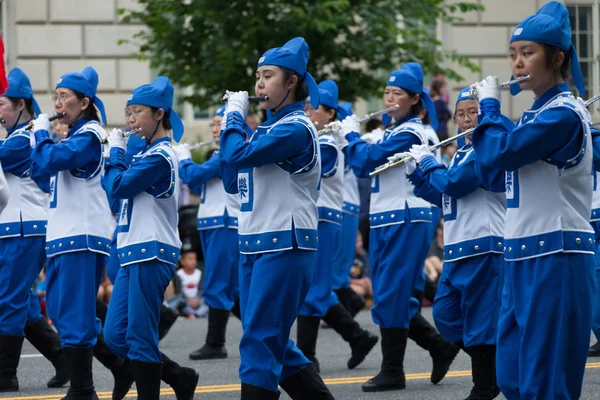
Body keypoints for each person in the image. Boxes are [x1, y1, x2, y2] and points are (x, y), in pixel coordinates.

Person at [471, 2, 594, 398]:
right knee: (513, 374)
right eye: (513, 54)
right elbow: (491, 173)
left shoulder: (563, 115)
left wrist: (488, 109)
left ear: (556, 58)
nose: (517, 63)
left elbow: (500, 155)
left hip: (556, 253)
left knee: (545, 378)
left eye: (528, 53)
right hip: (521, 254)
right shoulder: (531, 118)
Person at [219, 37, 334, 399]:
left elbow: (236, 155)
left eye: (268, 76)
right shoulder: (266, 131)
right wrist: (232, 126)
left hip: (285, 243)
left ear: (292, 83)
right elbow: (229, 176)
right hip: (257, 244)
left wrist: (234, 119)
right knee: (274, 343)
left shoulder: (295, 127)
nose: (258, 84)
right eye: (257, 76)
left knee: (259, 342)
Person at [336, 62, 458, 393]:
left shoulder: (412, 131)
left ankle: (393, 370)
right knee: (397, 294)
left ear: (415, 99)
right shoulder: (396, 130)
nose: (390, 99)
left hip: (404, 216)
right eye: (387, 92)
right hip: (392, 217)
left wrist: (349, 135)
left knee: (390, 291)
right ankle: (438, 346)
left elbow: (363, 163)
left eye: (398, 94)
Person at [400, 86, 511, 399]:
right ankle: (496, 366)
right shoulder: (462, 151)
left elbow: (456, 184)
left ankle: (485, 384)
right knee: (446, 315)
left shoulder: (487, 148)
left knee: (480, 320)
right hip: (459, 245)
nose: (464, 120)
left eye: (472, 112)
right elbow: (445, 195)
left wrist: (430, 165)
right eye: (460, 114)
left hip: (485, 242)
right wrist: (418, 177)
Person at [103, 76, 199, 400]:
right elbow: (115, 201)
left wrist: (116, 156)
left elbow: (117, 187)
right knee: (116, 335)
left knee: (140, 336)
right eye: (128, 113)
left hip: (152, 249)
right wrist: (124, 157)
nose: (130, 120)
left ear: (159, 114)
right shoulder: (143, 155)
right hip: (132, 249)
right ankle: (178, 376)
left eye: (137, 112)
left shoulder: (160, 155)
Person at [29, 66, 114, 399]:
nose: (58, 102)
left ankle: (83, 390)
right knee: (62, 312)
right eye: (56, 96)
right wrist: (43, 142)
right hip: (62, 235)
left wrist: (40, 136)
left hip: (83, 235)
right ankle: (117, 368)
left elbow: (54, 158)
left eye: (64, 96)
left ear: (84, 101)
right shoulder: (71, 135)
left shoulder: (91, 134)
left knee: (76, 316)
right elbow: (40, 171)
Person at [298, 80, 377, 373]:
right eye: (306, 106)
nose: (308, 111)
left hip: (327, 217)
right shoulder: (315, 135)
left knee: (316, 287)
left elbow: (313, 166)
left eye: (313, 108)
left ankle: (308, 355)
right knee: (312, 285)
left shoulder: (330, 141)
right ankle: (357, 336)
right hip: (312, 217)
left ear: (330, 113)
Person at [0, 68, 69, 392]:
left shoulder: (23, 140)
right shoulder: (17, 137)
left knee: (9, 301)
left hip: (26, 229)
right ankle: (63, 360)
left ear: (21, 106)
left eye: (2, 104)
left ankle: (6, 375)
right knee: (20, 302)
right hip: (13, 229)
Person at [175, 105, 242, 360]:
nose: (214, 129)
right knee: (231, 288)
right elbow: (193, 182)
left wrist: (183, 160)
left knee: (218, 282)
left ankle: (215, 343)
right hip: (213, 221)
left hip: (224, 221)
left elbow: (194, 174)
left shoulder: (228, 150)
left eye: (219, 123)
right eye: (212, 123)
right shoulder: (219, 150)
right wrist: (187, 167)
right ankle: (263, 336)